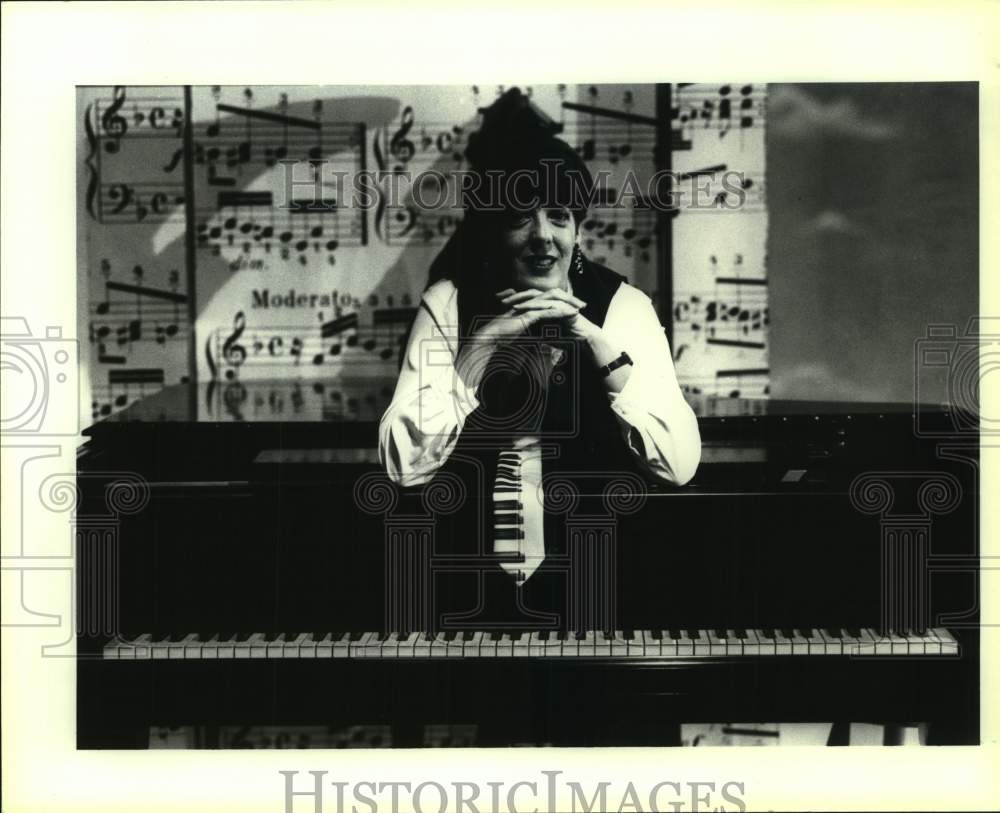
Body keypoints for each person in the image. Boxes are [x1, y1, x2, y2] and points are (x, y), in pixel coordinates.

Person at [377, 89, 700, 628]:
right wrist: (478, 352)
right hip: (470, 592)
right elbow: (402, 467)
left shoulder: (624, 309)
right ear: (492, 230)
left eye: (558, 216)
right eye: (519, 218)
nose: (541, 237)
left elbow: (678, 462)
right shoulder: (450, 304)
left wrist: (591, 338)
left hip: (609, 585)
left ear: (579, 231)